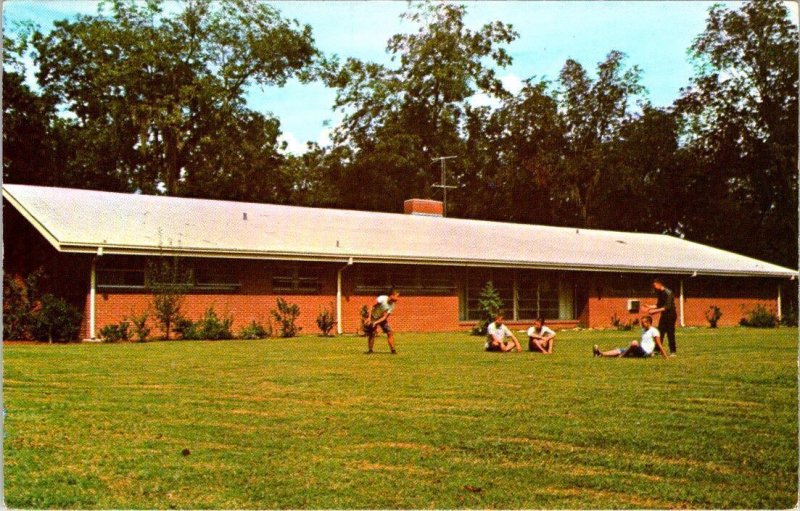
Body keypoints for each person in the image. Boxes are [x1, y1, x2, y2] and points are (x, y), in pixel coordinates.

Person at [592, 315, 668, 358]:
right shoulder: (643, 330)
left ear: (649, 323)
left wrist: (664, 354)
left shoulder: (654, 331)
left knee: (634, 343)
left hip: (645, 352)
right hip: (640, 350)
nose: (641, 324)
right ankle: (600, 354)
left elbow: (659, 344)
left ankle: (622, 356)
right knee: (620, 349)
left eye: (643, 323)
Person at [646, 278, 677, 356]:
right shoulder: (660, 293)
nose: (654, 287)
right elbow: (659, 305)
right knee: (659, 332)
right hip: (664, 315)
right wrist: (649, 307)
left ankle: (673, 351)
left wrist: (655, 311)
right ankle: (657, 350)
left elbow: (667, 307)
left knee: (670, 333)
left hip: (671, 315)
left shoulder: (668, 292)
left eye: (655, 285)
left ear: (659, 284)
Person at [364, 289, 400, 354]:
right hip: (373, 316)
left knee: (390, 332)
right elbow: (371, 305)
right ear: (392, 295)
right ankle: (370, 350)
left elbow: (385, 317)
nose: (398, 298)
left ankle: (393, 350)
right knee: (372, 333)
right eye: (397, 296)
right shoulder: (382, 298)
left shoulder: (392, 305)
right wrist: (369, 318)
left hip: (381, 318)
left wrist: (376, 322)